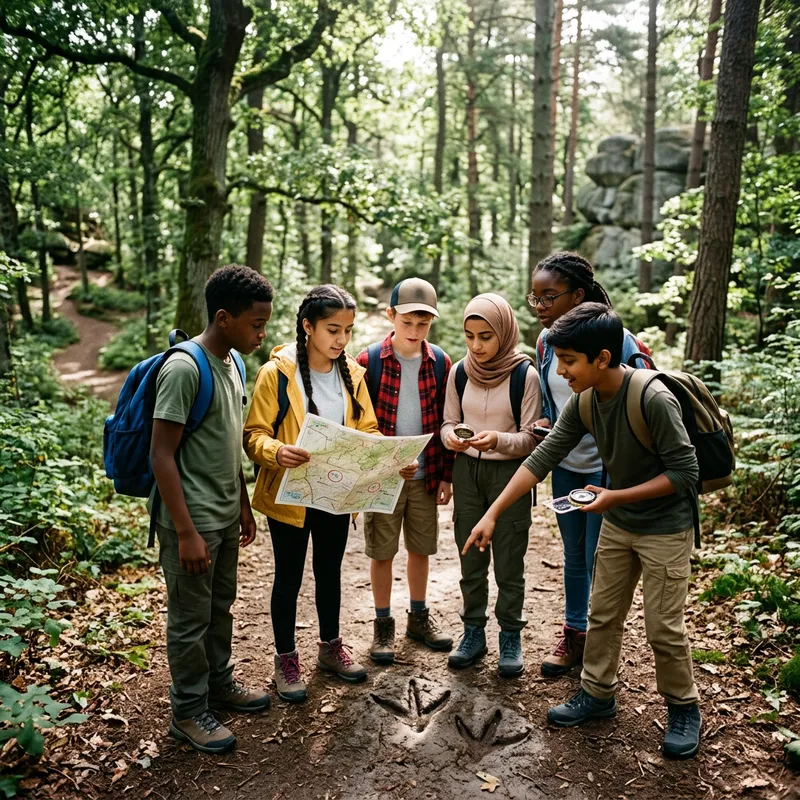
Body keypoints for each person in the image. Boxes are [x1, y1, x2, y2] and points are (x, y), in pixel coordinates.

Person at [465, 303, 702, 760]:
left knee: (664, 629)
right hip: (619, 524)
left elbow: (685, 471)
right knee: (602, 614)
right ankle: (596, 695)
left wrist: (613, 497)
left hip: (665, 529)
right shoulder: (585, 401)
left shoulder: (652, 398)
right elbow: (541, 459)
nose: (560, 371)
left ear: (603, 359)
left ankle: (683, 707)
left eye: (569, 361)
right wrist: (492, 512)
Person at [243, 284, 418, 703]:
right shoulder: (277, 373)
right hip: (289, 496)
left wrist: (391, 460)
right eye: (332, 330)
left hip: (336, 495)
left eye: (348, 331)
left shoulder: (352, 374)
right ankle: (286, 658)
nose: (341, 340)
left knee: (329, 571)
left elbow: (368, 431)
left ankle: (329, 647)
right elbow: (254, 435)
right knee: (287, 578)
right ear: (308, 327)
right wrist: (276, 451)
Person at [150, 264, 274, 755]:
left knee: (219, 607)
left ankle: (218, 684)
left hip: (223, 515)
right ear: (224, 318)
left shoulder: (235, 364)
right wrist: (184, 532)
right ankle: (187, 710)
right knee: (189, 618)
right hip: (191, 521)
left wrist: (243, 504)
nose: (261, 334)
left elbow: (226, 443)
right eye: (255, 324)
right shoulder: (184, 368)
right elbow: (161, 454)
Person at [530, 251, 652, 677]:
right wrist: (546, 420)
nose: (540, 306)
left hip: (608, 467)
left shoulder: (620, 341)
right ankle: (574, 633)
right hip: (566, 463)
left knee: (601, 557)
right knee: (573, 553)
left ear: (577, 295)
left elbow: (640, 398)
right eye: (535, 298)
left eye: (549, 297)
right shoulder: (547, 343)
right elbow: (556, 401)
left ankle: (600, 650)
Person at [441, 293, 541, 677]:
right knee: (470, 558)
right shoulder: (460, 372)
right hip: (467, 473)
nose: (476, 346)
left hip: (510, 476)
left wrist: (498, 440)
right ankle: (472, 632)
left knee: (509, 562)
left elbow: (533, 438)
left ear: (504, 332)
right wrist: (451, 438)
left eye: (485, 336)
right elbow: (449, 421)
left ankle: (510, 637)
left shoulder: (523, 375)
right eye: (469, 336)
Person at [356, 278, 455, 665]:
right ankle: (383, 625)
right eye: (408, 322)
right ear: (391, 315)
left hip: (426, 477)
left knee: (421, 548)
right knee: (381, 552)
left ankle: (419, 616)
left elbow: (447, 421)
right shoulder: (369, 361)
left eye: (423, 324)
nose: (414, 332)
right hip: (383, 480)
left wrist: (445, 475)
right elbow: (358, 423)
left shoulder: (440, 362)